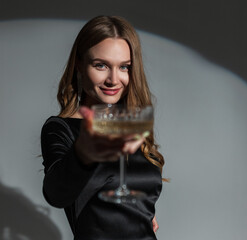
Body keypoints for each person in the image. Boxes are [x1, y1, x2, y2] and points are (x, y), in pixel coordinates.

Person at [41, 15, 165, 239]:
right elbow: (56, 193)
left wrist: (139, 213)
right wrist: (83, 155)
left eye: (124, 67)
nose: (113, 79)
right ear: (79, 64)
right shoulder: (61, 128)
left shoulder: (132, 122)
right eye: (101, 65)